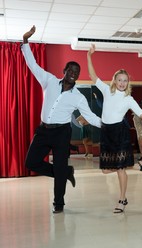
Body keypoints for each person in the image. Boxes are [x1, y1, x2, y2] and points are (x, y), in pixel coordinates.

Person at [21, 26, 102, 214]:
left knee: (58, 165)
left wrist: (107, 124)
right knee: (30, 162)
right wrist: (25, 41)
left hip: (61, 133)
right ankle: (65, 173)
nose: (74, 74)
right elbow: (33, 65)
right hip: (43, 130)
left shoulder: (79, 97)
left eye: (77, 72)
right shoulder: (49, 80)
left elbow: (89, 116)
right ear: (64, 70)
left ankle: (59, 203)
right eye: (71, 70)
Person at [87, 44, 142, 213]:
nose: (122, 83)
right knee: (105, 170)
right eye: (119, 80)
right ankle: (137, 166)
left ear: (128, 83)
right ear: (114, 80)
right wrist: (89, 56)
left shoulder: (129, 99)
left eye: (125, 80)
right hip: (106, 132)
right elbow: (92, 75)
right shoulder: (106, 90)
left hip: (120, 133)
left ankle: (122, 200)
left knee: (120, 168)